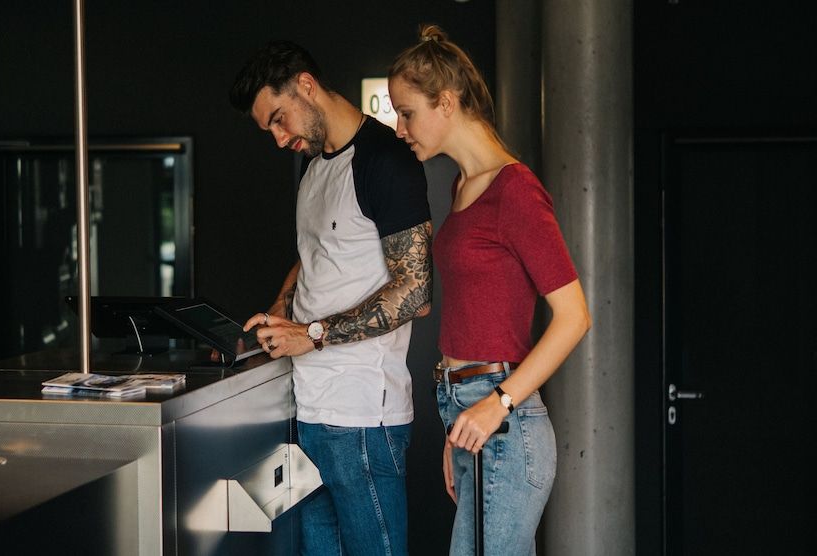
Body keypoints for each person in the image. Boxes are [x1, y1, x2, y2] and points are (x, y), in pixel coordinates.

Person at [388, 25, 592, 556]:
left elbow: (574, 317)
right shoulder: (462, 185)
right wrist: (459, 425)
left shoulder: (516, 191)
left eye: (407, 111)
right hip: (468, 414)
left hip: (503, 419)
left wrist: (496, 404)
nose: (399, 126)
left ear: (447, 103)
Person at [229, 41, 433, 556]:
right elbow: (316, 253)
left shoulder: (386, 159)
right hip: (308, 410)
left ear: (305, 85)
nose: (279, 139)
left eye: (279, 119)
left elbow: (415, 289)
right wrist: (280, 309)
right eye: (269, 130)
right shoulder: (315, 168)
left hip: (364, 418)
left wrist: (312, 334)